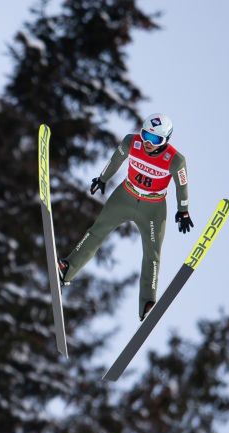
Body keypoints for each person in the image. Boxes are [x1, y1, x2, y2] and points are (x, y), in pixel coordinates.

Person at [58, 113, 193, 321]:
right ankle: (68, 269)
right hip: (125, 196)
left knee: (152, 254)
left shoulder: (175, 160)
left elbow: (182, 186)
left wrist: (183, 210)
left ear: (166, 141)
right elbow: (116, 159)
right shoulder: (132, 142)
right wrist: (102, 179)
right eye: (146, 135)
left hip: (153, 208)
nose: (148, 142)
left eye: (155, 139)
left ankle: (148, 303)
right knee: (96, 231)